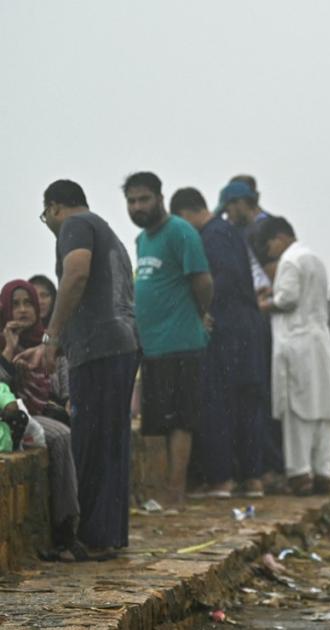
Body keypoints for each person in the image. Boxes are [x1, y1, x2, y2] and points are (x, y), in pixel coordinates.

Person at [19, 179, 140, 554]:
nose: (49, 222)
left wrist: (51, 339)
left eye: (46, 215)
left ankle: (90, 538)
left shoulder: (75, 226)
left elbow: (76, 274)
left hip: (100, 349)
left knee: (91, 441)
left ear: (54, 207)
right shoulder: (109, 234)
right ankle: (109, 537)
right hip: (121, 345)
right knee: (111, 442)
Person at [170, 187, 266, 498]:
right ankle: (252, 478)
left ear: (186, 213)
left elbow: (219, 280)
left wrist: (202, 310)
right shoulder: (229, 232)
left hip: (226, 331)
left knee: (219, 403)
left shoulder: (212, 236)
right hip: (246, 331)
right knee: (246, 406)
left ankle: (221, 479)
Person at [125, 172, 213, 506]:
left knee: (180, 421)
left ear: (160, 198)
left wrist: (201, 313)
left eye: (144, 199)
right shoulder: (142, 240)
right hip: (152, 346)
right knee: (155, 425)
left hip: (182, 343)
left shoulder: (181, 232)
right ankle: (157, 493)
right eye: (132, 201)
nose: (138, 206)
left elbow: (203, 281)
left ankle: (175, 493)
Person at [0, 279, 86, 560]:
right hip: (19, 418)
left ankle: (89, 519)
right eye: (15, 304)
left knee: (81, 430)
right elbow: (3, 392)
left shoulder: (48, 342)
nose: (23, 310)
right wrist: (9, 353)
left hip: (46, 411)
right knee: (60, 437)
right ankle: (66, 531)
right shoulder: (3, 342)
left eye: (28, 303)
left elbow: (63, 385)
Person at [255, 217, 330, 496]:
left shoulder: (290, 261)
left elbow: (287, 299)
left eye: (269, 244)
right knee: (321, 409)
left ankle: (300, 473)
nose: (270, 250)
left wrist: (264, 304)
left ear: (279, 237)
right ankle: (323, 471)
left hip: (295, 343)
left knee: (297, 410)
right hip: (318, 342)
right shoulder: (313, 258)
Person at [216, 178, 284, 489]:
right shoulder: (255, 227)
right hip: (261, 318)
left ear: (242, 203)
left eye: (231, 209)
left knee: (262, 396)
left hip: (265, 318)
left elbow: (274, 274)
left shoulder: (261, 230)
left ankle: (269, 468)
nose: (228, 216)